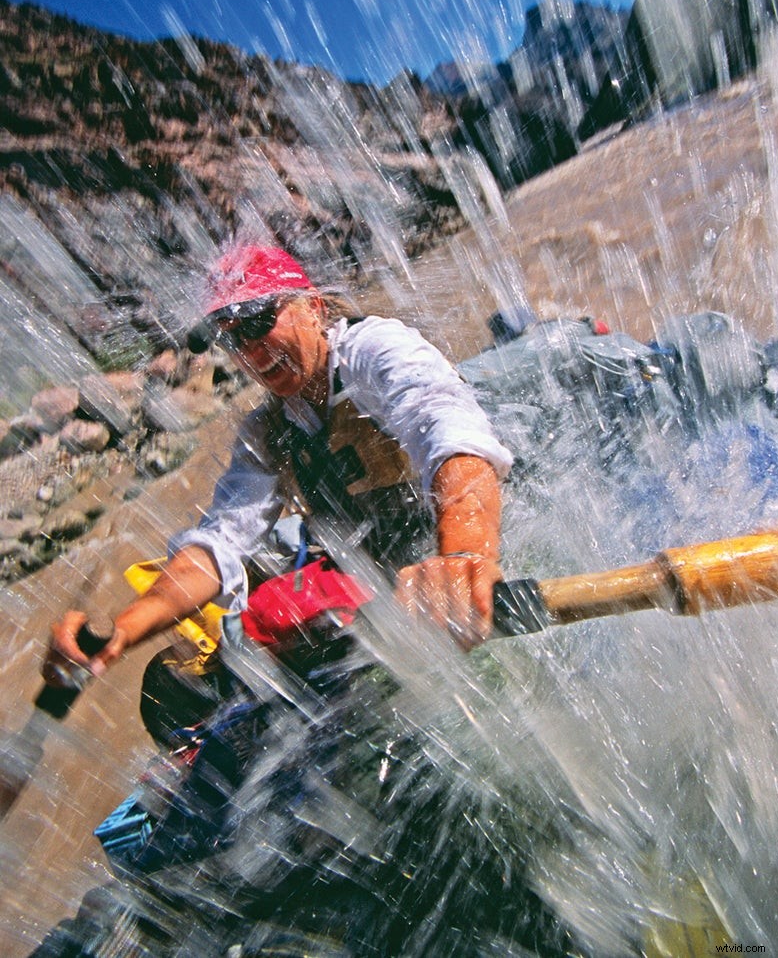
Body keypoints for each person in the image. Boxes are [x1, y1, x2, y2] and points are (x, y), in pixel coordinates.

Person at [44, 244, 513, 703]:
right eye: (232, 339)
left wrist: (465, 551)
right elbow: (217, 546)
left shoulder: (374, 350)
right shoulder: (268, 431)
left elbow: (448, 432)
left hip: (479, 537)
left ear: (313, 307)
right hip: (399, 575)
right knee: (207, 663)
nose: (250, 349)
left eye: (257, 323)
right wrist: (122, 630)